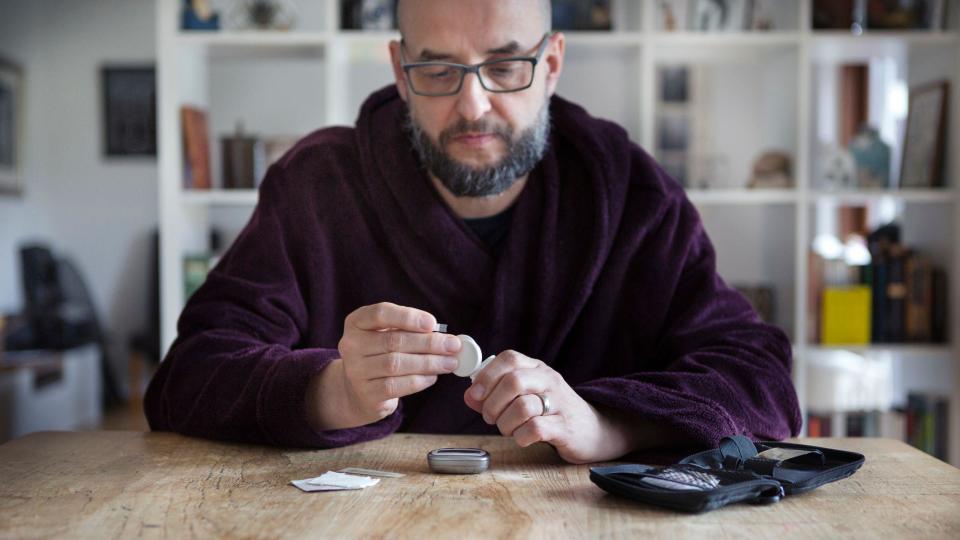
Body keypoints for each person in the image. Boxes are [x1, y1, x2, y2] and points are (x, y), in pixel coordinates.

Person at [145, 0, 801, 464]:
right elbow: (187, 378)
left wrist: (606, 423)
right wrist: (331, 391)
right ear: (401, 72)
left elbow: (762, 380)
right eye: (439, 70)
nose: (474, 104)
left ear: (551, 65)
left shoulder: (627, 190)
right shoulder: (316, 187)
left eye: (507, 64)